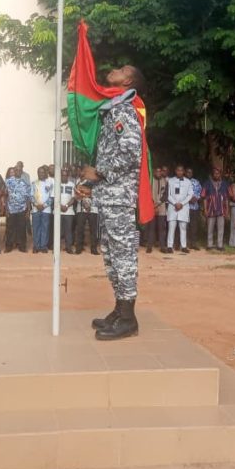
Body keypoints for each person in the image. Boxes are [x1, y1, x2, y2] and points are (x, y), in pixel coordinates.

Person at [82, 64, 145, 341]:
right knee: (110, 256)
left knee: (124, 256)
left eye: (121, 69)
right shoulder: (112, 110)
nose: (114, 70)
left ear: (128, 80)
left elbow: (132, 153)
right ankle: (120, 309)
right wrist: (89, 183)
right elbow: (109, 155)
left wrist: (100, 173)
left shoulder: (124, 111)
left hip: (120, 198)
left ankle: (129, 318)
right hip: (108, 197)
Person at [166, 164, 193, 254]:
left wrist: (182, 203)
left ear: (184, 171)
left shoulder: (188, 182)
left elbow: (190, 195)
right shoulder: (170, 181)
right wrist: (175, 203)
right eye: (178, 170)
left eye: (181, 170)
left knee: (183, 227)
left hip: (183, 207)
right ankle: (170, 246)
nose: (179, 172)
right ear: (175, 171)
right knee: (171, 227)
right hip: (172, 207)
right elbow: (168, 195)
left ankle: (183, 246)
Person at [4, 165, 31, 253]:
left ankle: (22, 246)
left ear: (22, 171)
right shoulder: (8, 182)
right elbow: (5, 196)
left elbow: (28, 197)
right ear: (14, 171)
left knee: (22, 229)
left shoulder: (25, 183)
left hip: (22, 209)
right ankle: (9, 246)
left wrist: (28, 210)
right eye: (16, 170)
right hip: (11, 209)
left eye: (20, 170)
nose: (18, 171)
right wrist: (6, 209)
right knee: (10, 229)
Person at [201, 167, 229, 250]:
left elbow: (227, 198)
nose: (216, 175)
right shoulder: (207, 183)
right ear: (212, 174)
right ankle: (209, 245)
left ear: (220, 174)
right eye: (214, 173)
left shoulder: (225, 184)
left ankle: (219, 245)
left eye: (218, 173)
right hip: (210, 209)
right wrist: (205, 209)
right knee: (210, 228)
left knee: (221, 228)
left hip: (221, 209)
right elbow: (204, 198)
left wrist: (227, 209)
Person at [74, 165, 99, 255]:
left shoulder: (96, 182)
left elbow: (97, 194)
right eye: (82, 171)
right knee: (80, 229)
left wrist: (87, 193)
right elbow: (76, 196)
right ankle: (78, 248)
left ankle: (94, 249)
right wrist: (83, 194)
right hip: (81, 209)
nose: (83, 173)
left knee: (93, 230)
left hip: (93, 209)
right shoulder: (78, 181)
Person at [145, 166, 168, 253]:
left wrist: (158, 204)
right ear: (154, 172)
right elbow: (147, 194)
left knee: (161, 228)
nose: (158, 173)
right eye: (157, 171)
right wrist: (153, 205)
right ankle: (149, 246)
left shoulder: (165, 181)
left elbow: (165, 195)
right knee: (151, 227)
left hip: (161, 207)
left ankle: (162, 247)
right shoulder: (150, 181)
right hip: (151, 207)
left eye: (160, 171)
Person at [31, 166, 53, 253]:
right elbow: (31, 196)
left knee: (45, 228)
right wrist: (36, 205)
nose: (41, 174)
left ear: (46, 173)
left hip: (46, 210)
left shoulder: (50, 183)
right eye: (39, 172)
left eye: (42, 172)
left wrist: (44, 205)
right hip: (36, 209)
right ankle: (36, 246)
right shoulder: (33, 183)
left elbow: (52, 197)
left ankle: (43, 246)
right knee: (36, 228)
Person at [57, 167, 77, 254]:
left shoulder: (72, 184)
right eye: (62, 175)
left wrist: (66, 206)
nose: (64, 177)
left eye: (65, 175)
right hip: (58, 211)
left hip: (69, 211)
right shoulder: (57, 184)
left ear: (68, 176)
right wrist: (60, 206)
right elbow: (54, 197)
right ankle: (57, 248)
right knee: (58, 231)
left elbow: (73, 198)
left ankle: (68, 247)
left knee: (68, 230)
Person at [186, 167, 202, 250]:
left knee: (194, 226)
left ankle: (194, 243)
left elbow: (200, 192)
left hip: (195, 207)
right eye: (187, 172)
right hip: (185, 208)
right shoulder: (183, 181)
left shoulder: (196, 182)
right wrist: (189, 199)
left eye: (190, 172)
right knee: (185, 226)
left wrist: (196, 198)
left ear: (192, 173)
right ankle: (186, 243)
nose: (189, 173)